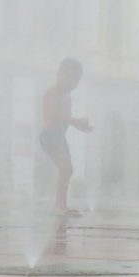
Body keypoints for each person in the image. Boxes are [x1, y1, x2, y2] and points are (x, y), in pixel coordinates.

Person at [39, 57, 93, 215]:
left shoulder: (66, 96)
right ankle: (59, 206)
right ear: (59, 74)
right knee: (65, 169)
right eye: (70, 80)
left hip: (59, 136)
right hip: (49, 135)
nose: (72, 85)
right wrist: (77, 122)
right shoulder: (53, 92)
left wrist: (81, 126)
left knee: (67, 170)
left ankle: (61, 204)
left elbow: (65, 119)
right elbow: (55, 115)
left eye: (75, 82)